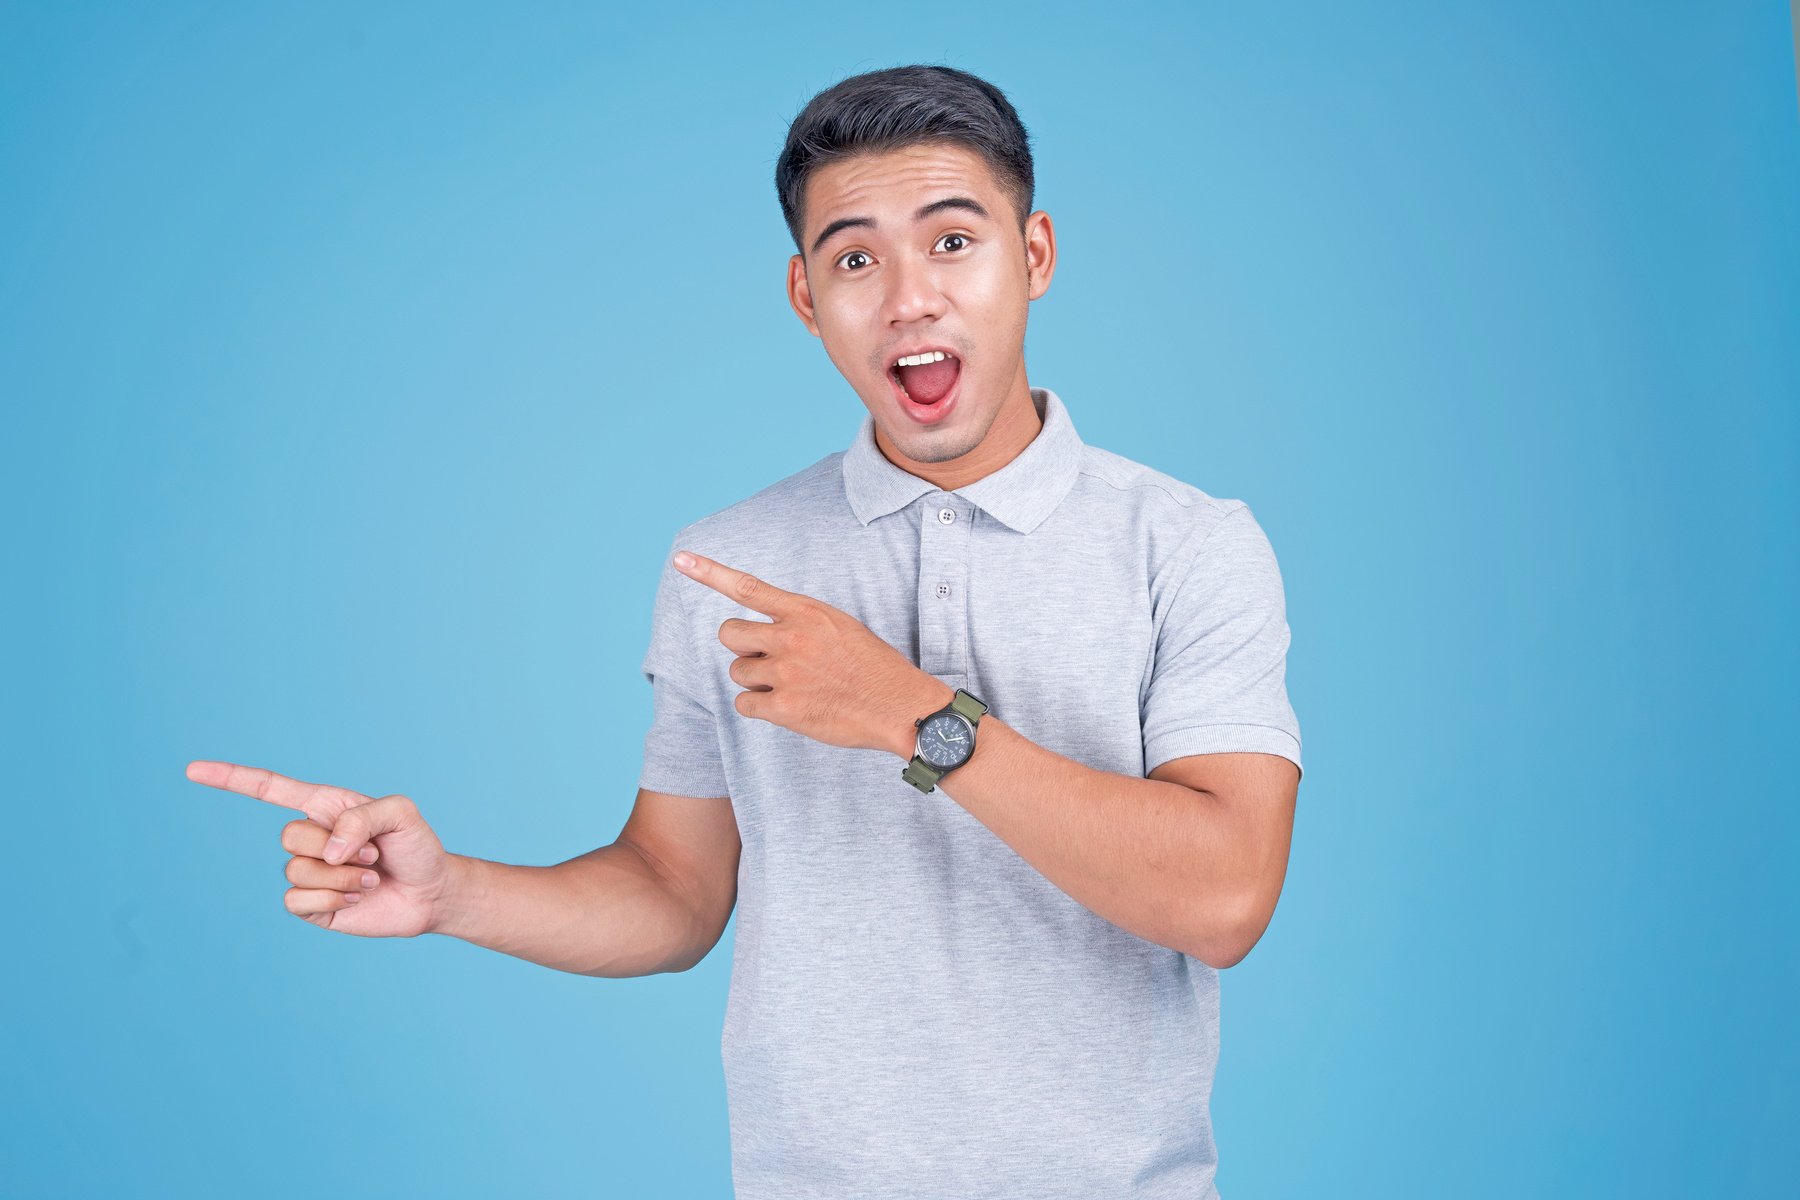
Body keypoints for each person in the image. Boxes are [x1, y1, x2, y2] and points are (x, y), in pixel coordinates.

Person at [187, 63, 1303, 1199]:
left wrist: (910, 715)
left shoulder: (1190, 545)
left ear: (1036, 255)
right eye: (855, 258)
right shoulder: (732, 563)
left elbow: (1221, 901)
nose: (908, 296)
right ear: (806, 297)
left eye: (953, 241)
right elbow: (673, 891)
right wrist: (452, 895)